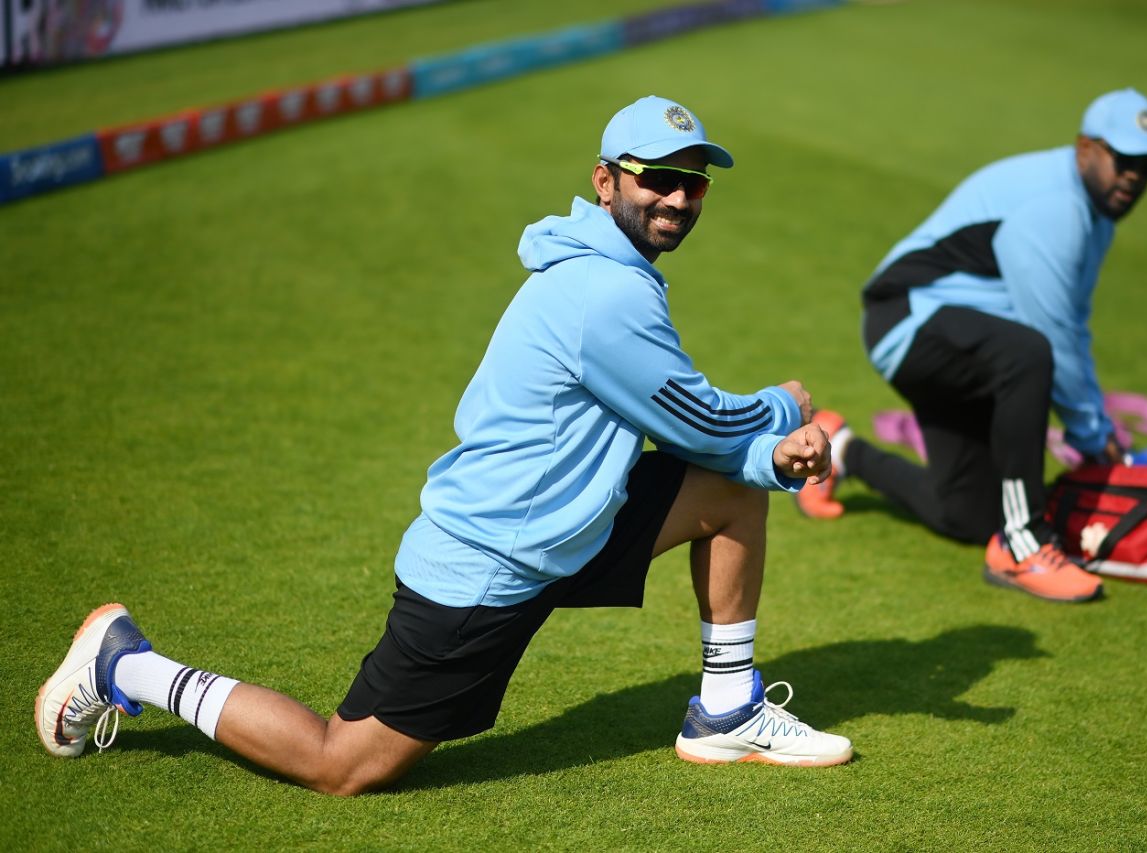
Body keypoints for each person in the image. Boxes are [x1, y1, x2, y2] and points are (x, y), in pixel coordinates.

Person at [36, 96, 853, 794]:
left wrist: (767, 462)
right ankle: (126, 664)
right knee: (342, 762)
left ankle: (725, 709)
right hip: (493, 561)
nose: (678, 197)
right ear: (607, 182)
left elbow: (699, 439)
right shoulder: (604, 292)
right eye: (658, 177)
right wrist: (782, 411)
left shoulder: (613, 268)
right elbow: (697, 419)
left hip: (573, 526)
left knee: (733, 490)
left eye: (694, 181)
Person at [797, 88, 1147, 604]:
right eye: (1124, 160)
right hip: (908, 321)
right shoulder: (1057, 207)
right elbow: (1051, 332)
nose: (1134, 177)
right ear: (1086, 148)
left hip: (965, 339)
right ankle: (1024, 546)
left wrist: (1098, 434)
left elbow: (1072, 325)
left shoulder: (1096, 213)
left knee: (971, 515)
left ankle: (840, 448)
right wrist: (1092, 438)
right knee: (1029, 354)